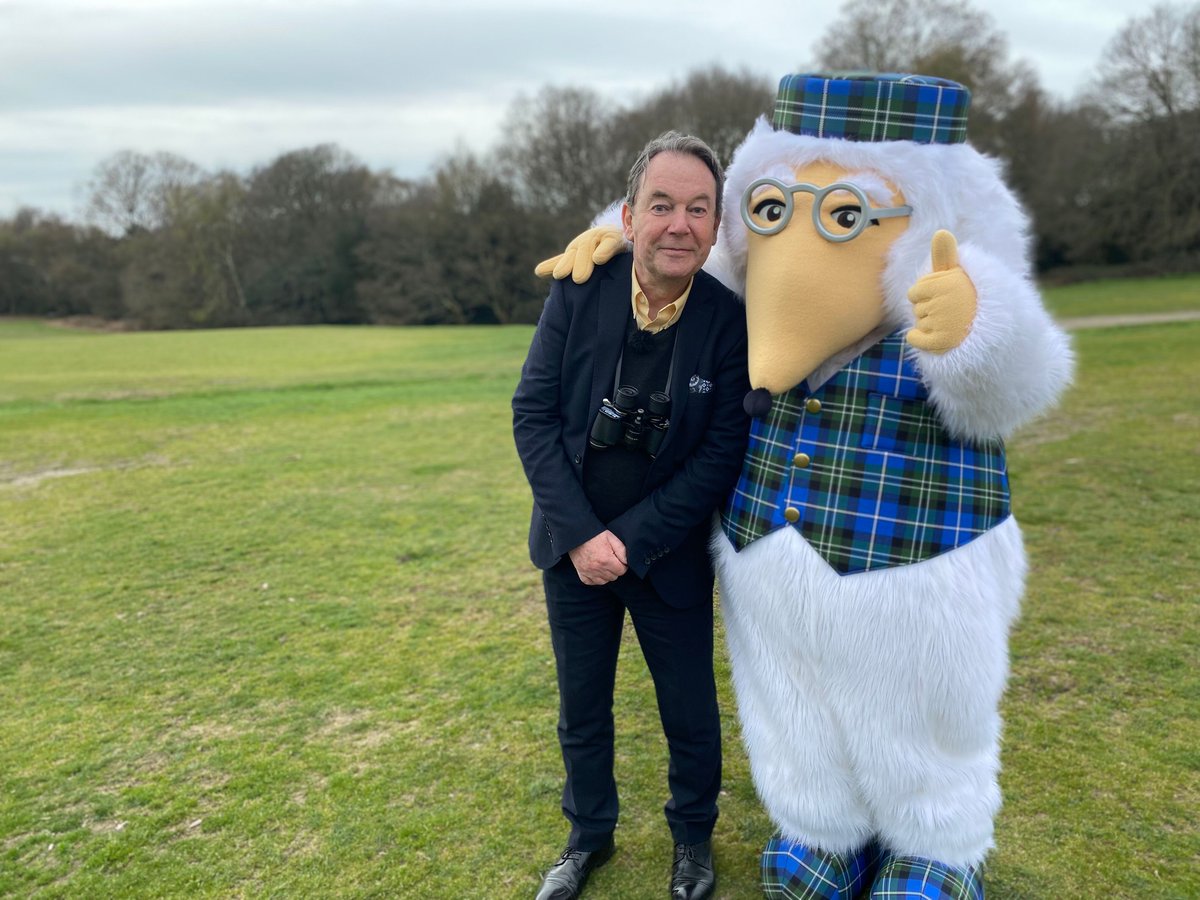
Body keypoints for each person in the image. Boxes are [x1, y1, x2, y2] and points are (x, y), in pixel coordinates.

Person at [512, 131, 750, 900]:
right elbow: (533, 414)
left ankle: (692, 842)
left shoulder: (727, 318)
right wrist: (583, 536)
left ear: (716, 227)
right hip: (570, 546)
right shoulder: (581, 288)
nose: (678, 224)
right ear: (628, 213)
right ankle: (587, 839)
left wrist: (631, 539)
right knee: (582, 705)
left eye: (697, 208)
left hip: (666, 552)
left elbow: (719, 454)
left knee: (687, 707)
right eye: (661, 205)